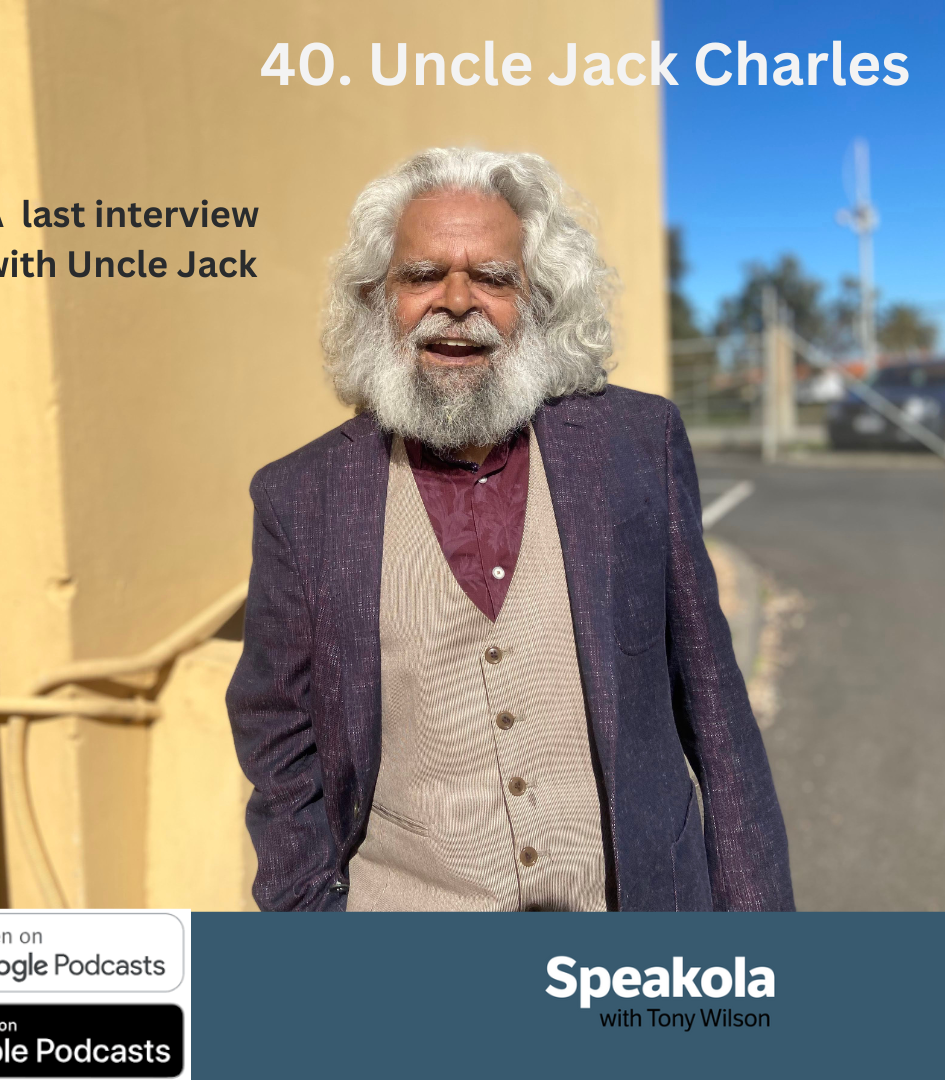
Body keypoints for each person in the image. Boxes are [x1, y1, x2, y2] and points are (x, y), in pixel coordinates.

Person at [226, 148, 794, 912]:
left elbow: (715, 711)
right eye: (421, 274)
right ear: (375, 298)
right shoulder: (301, 496)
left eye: (494, 278)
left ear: (540, 302)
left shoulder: (637, 444)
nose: (456, 301)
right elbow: (279, 736)